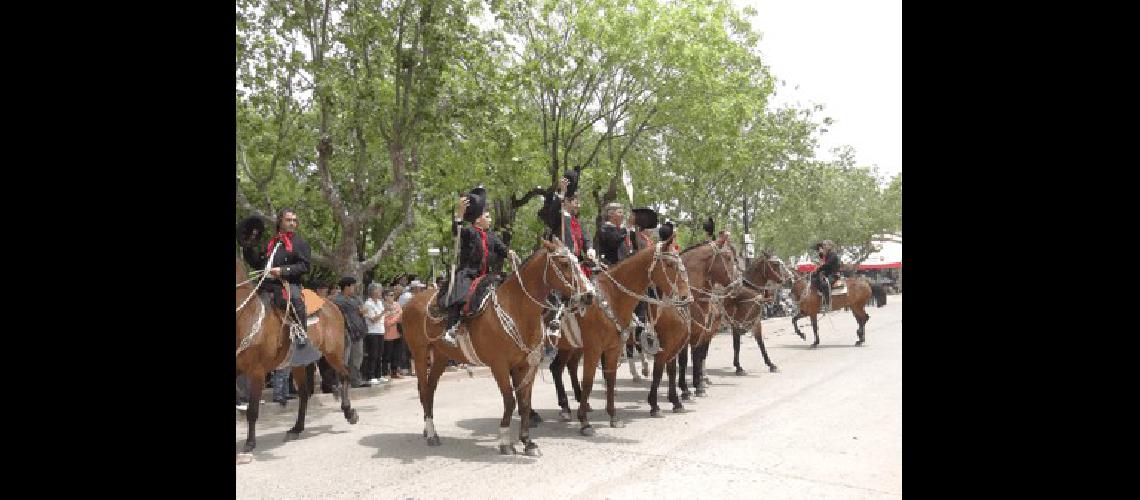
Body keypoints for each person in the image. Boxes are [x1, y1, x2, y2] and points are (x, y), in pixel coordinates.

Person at [439, 186, 516, 346]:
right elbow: (456, 230)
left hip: (487, 276)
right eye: (487, 216)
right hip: (468, 273)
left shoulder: (492, 236)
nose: (490, 219)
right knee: (459, 296)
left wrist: (510, 253)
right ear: (478, 220)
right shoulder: (468, 232)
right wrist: (459, 213)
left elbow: (502, 249)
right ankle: (451, 329)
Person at [332, 277, 370, 387]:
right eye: (352, 286)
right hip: (346, 333)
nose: (354, 288)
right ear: (347, 286)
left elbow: (361, 310)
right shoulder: (338, 300)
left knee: (357, 358)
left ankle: (355, 380)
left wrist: (361, 311)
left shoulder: (355, 298)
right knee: (344, 358)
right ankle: (341, 382)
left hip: (357, 332)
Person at [363, 282, 388, 384]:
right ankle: (371, 375)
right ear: (373, 291)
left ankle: (379, 375)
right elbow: (373, 319)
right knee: (372, 354)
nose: (380, 292)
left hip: (380, 331)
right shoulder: (368, 304)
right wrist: (384, 312)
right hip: (372, 332)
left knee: (379, 354)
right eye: (378, 290)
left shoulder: (379, 302)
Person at [382, 289, 404, 379]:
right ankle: (385, 372)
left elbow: (401, 315)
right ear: (385, 297)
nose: (392, 297)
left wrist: (394, 317)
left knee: (396, 354)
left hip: (398, 333)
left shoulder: (397, 304)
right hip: (388, 334)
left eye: (393, 295)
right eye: (390, 295)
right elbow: (385, 322)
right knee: (387, 354)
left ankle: (394, 372)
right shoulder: (383, 306)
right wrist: (395, 318)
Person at [813, 240, 841, 311]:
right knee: (815, 281)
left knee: (824, 284)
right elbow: (822, 257)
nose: (824, 246)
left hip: (833, 275)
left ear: (830, 246)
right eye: (823, 245)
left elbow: (827, 264)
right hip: (827, 275)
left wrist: (818, 269)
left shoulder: (833, 255)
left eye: (825, 245)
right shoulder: (827, 254)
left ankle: (828, 304)